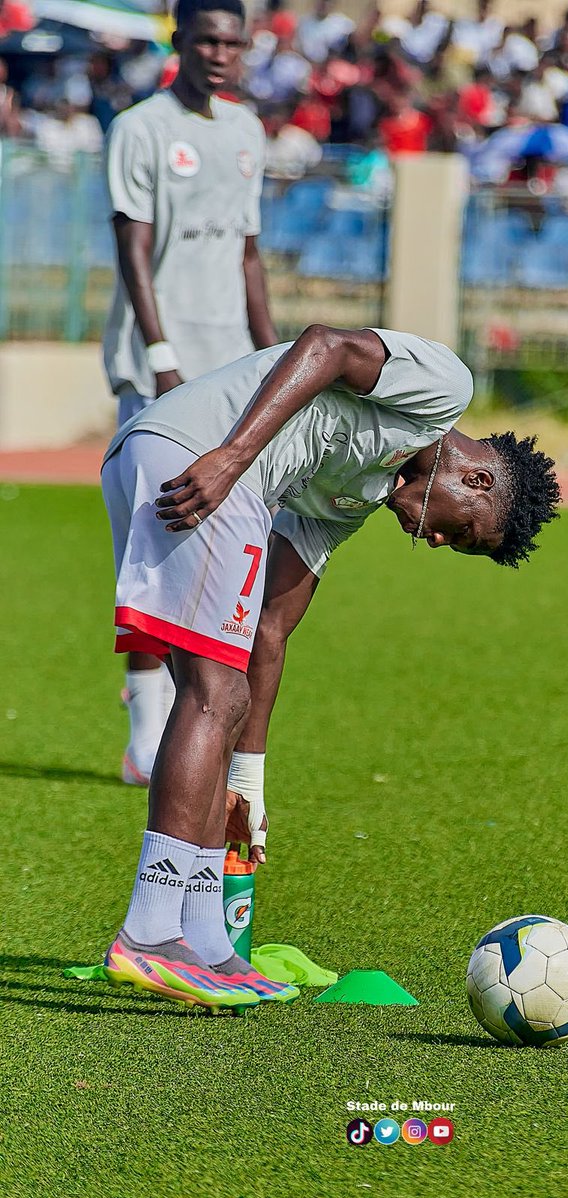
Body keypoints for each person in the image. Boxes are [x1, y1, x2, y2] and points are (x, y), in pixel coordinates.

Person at [100, 323, 561, 1011]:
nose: (434, 541)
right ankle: (147, 931)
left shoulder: (355, 496)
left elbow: (271, 629)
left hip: (190, 465)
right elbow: (328, 345)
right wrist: (233, 455)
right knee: (214, 696)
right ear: (477, 477)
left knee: (219, 698)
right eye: (458, 529)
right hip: (198, 458)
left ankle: (202, 941)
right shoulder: (445, 388)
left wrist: (249, 789)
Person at [102, 0, 278, 790]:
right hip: (159, 370)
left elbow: (248, 254)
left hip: (231, 366)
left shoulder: (248, 132)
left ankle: (193, 718)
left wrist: (274, 357)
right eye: (207, 38)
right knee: (154, 541)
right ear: (180, 40)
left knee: (230, 544)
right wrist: (161, 352)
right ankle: (148, 732)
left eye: (233, 42)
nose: (220, 53)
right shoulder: (140, 127)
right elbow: (132, 245)